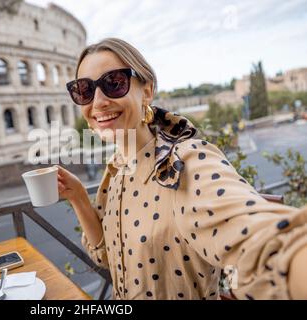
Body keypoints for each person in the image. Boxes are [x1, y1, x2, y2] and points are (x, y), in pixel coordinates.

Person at [55, 38, 307, 300]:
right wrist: (78, 197)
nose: (97, 102)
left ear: (147, 91)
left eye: (114, 83)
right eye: (84, 90)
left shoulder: (183, 163)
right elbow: (107, 256)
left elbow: (266, 241)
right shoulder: (116, 170)